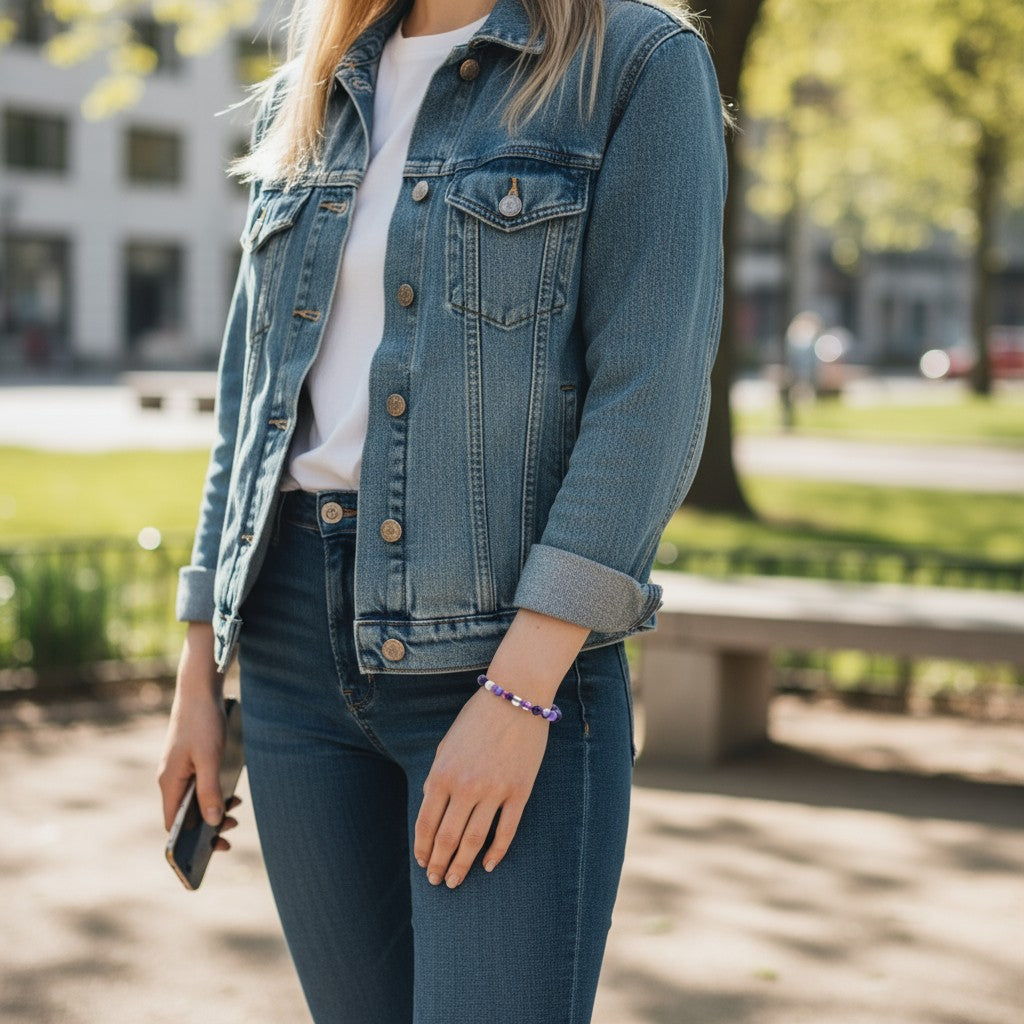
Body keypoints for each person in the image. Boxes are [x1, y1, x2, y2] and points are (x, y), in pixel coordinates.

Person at [157, 0, 727, 1019]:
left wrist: (520, 693)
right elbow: (251, 398)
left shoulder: (638, 66)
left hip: (501, 658)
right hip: (290, 661)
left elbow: (649, 397)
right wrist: (198, 661)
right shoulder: (310, 89)